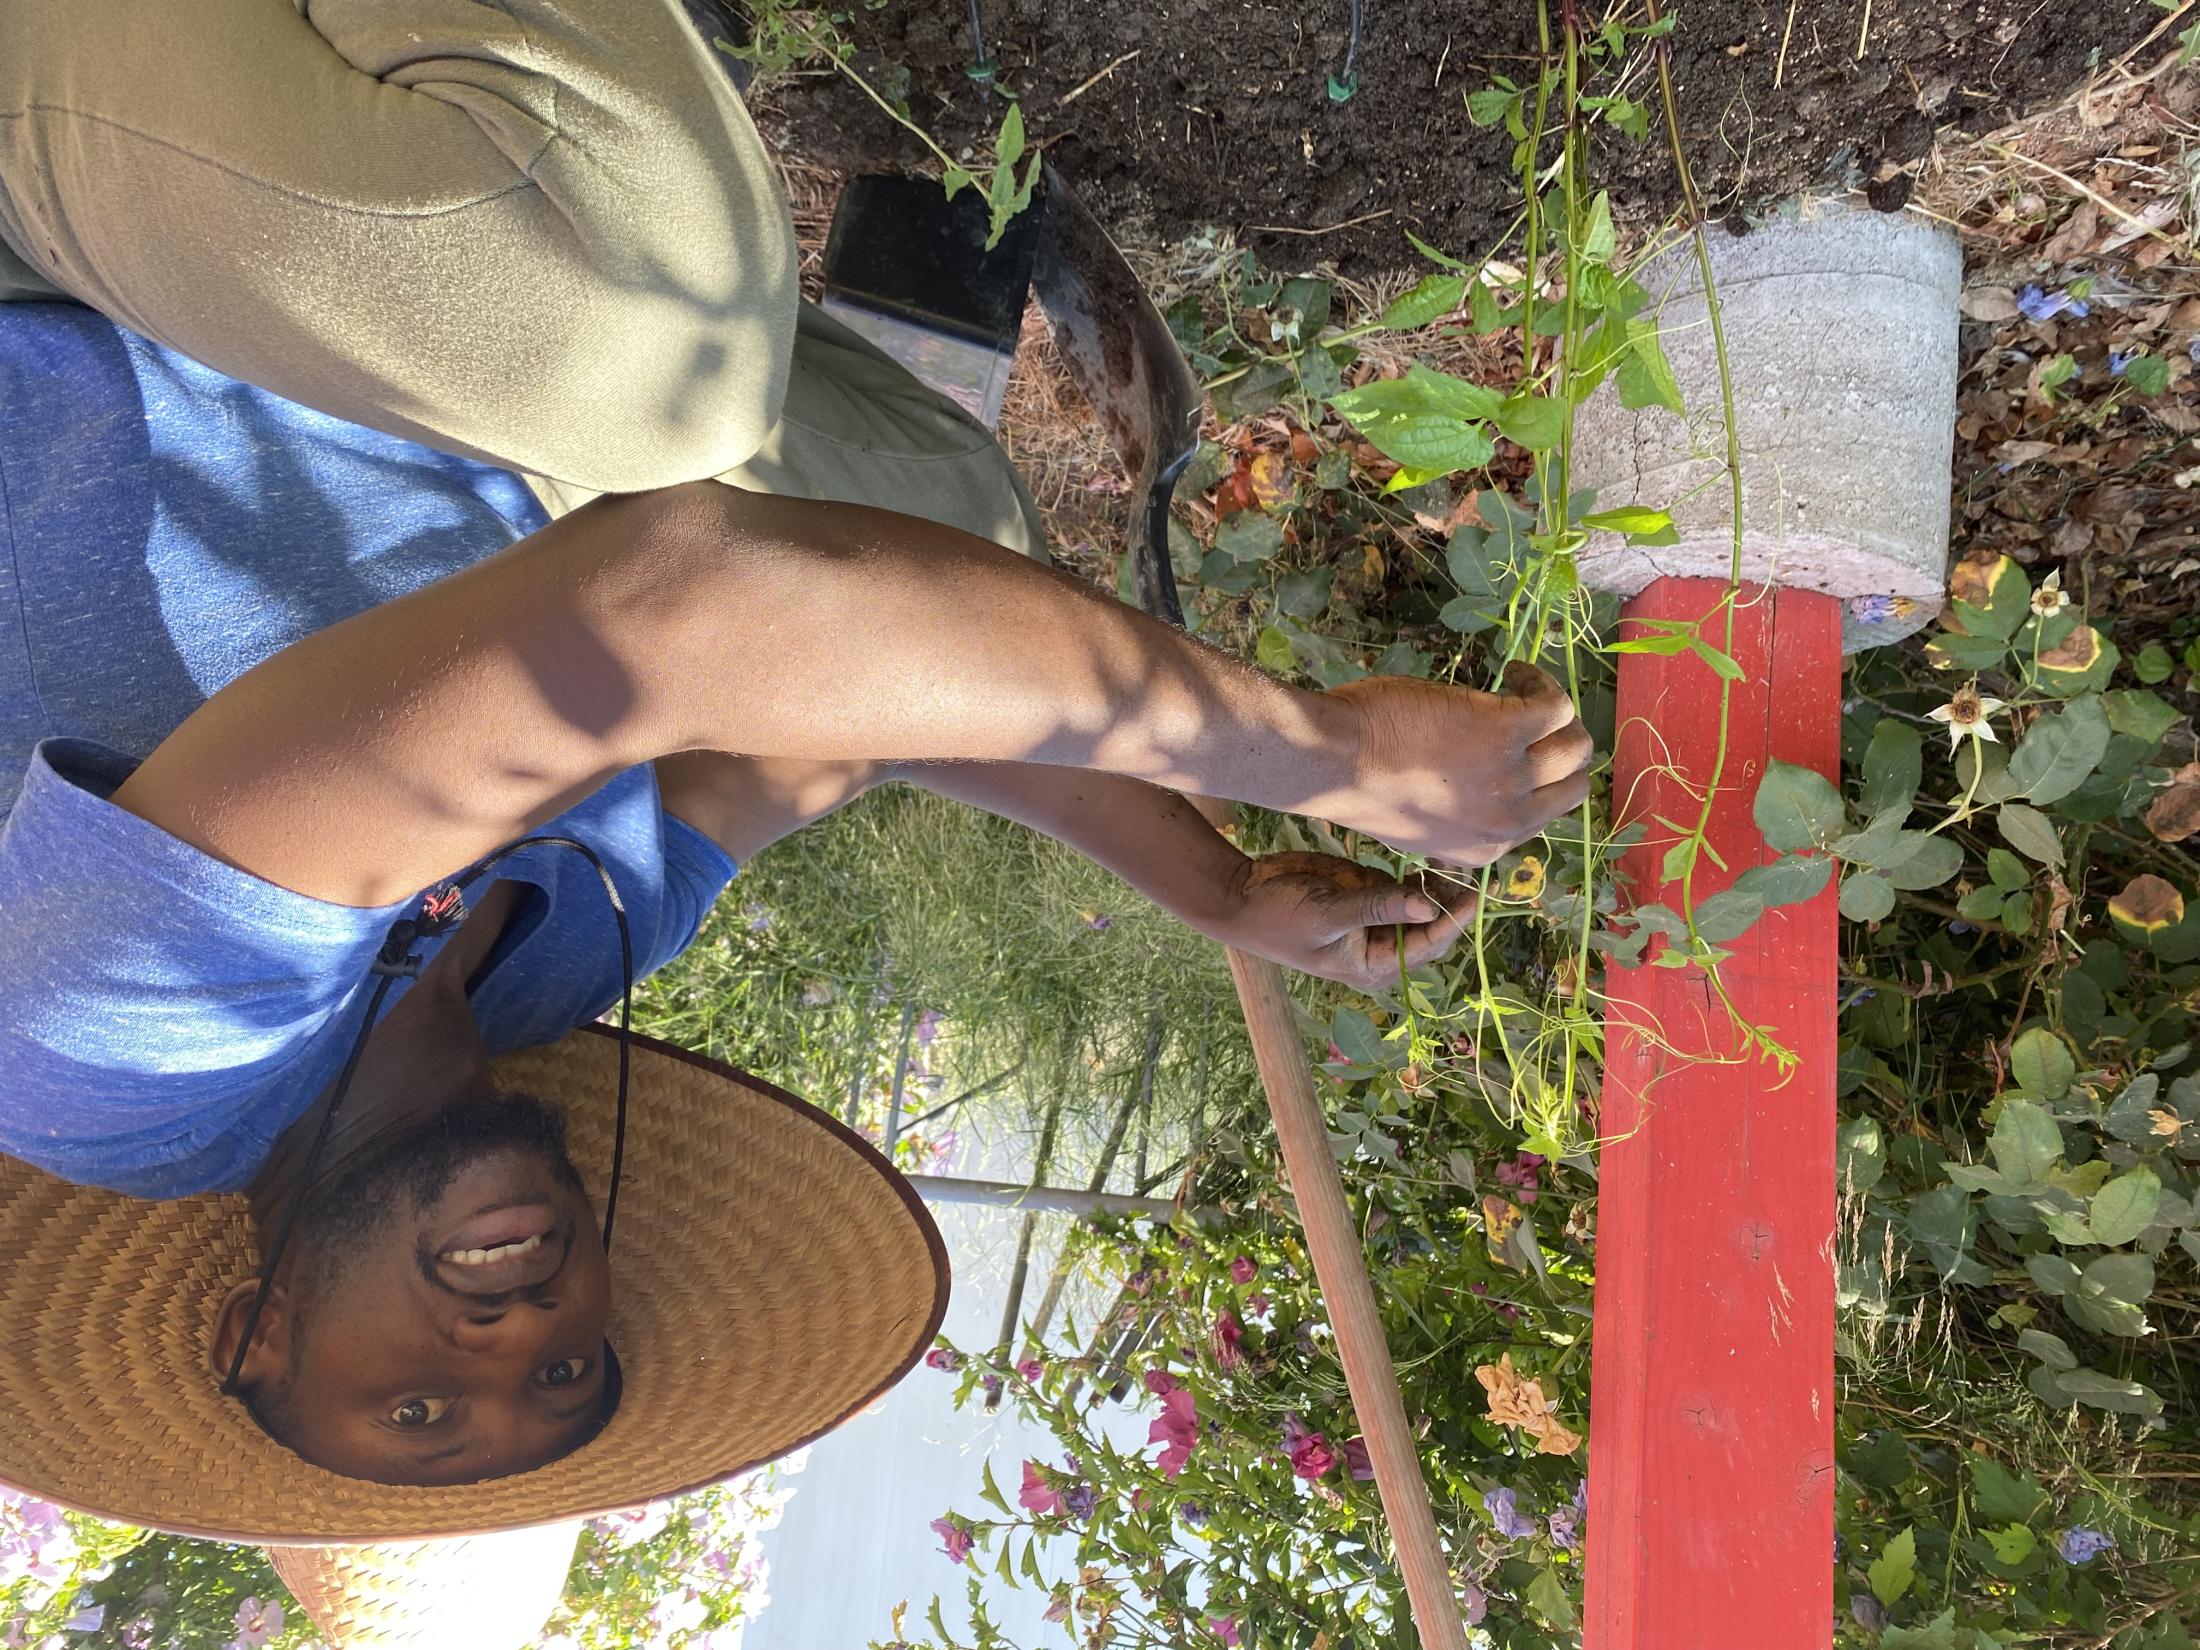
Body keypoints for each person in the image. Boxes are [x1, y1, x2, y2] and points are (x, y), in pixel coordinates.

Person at [0, 0, 1590, 1573]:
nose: (509, 1334)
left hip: (57, 227)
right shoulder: (569, 956)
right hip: (320, 315)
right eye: (561, 1373)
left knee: (651, 358)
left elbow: (658, 611)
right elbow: (864, 722)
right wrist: (1210, 882)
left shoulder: (116, 1067)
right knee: (945, 531)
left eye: (418, 1404)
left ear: (255, 1331)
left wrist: (1312, 747)